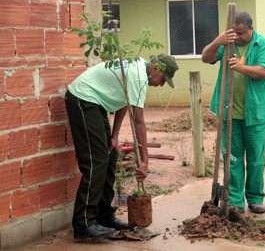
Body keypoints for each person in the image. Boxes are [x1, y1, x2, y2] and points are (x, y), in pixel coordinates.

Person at [65, 54, 179, 239]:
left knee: (110, 156)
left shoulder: (140, 67)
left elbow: (124, 100)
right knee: (96, 160)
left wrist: (114, 135)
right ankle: (83, 223)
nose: (161, 84)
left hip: (96, 102)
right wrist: (145, 161)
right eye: (163, 80)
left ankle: (104, 216)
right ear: (157, 69)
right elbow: (139, 122)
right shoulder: (139, 76)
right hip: (83, 98)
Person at [202, 10, 265, 214]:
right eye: (234, 33)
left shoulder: (264, 45)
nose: (238, 37)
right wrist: (218, 41)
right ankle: (235, 200)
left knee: (255, 160)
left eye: (241, 33)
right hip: (230, 115)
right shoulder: (227, 44)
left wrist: (239, 67)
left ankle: (255, 198)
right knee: (232, 159)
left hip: (256, 114)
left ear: (251, 29)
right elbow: (205, 57)